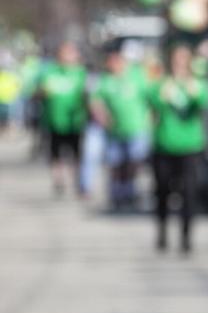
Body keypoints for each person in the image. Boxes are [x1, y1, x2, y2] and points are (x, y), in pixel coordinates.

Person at [148, 44, 208, 253]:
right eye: (177, 59)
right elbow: (151, 101)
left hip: (190, 146)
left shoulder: (197, 84)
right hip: (165, 145)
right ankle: (162, 233)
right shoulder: (162, 84)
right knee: (163, 192)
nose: (180, 64)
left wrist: (194, 93)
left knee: (189, 194)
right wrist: (163, 92)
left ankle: (186, 237)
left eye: (184, 59)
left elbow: (205, 103)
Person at [90, 48, 152, 211]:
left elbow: (150, 97)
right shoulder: (105, 79)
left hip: (136, 129)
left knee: (133, 164)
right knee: (115, 165)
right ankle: (117, 195)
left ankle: (130, 193)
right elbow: (95, 101)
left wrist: (150, 117)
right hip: (114, 131)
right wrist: (102, 117)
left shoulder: (137, 76)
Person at [36, 42, 88, 196]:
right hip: (54, 120)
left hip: (75, 122)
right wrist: (43, 92)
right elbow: (38, 92)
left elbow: (88, 94)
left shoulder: (80, 72)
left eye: (71, 54)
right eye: (65, 54)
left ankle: (77, 182)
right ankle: (58, 181)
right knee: (55, 153)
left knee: (76, 154)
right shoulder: (49, 72)